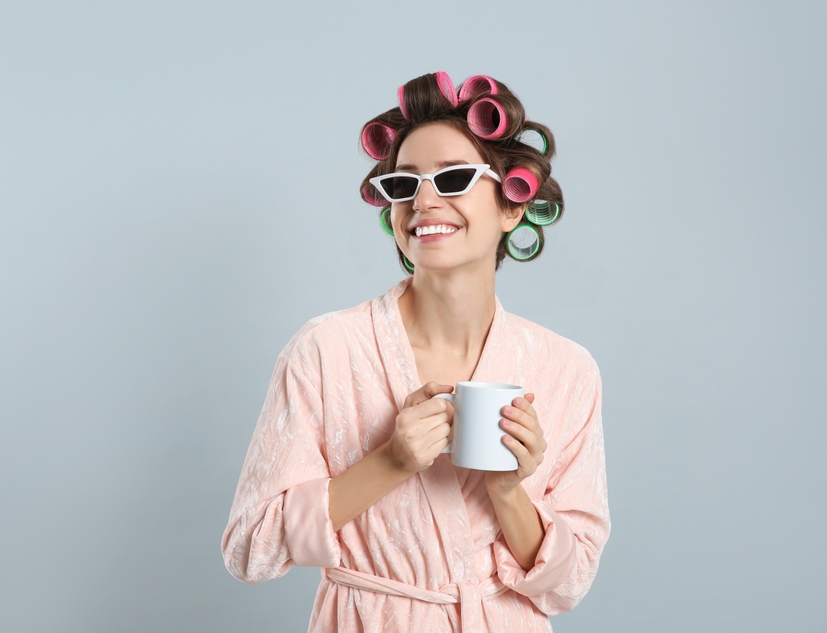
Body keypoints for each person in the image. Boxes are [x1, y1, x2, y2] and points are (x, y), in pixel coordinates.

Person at [222, 71, 609, 633]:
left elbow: (570, 585)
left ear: (512, 206)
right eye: (404, 185)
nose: (424, 201)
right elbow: (249, 549)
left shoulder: (567, 369)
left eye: (453, 178)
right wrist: (390, 463)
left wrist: (508, 490)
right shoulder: (328, 351)